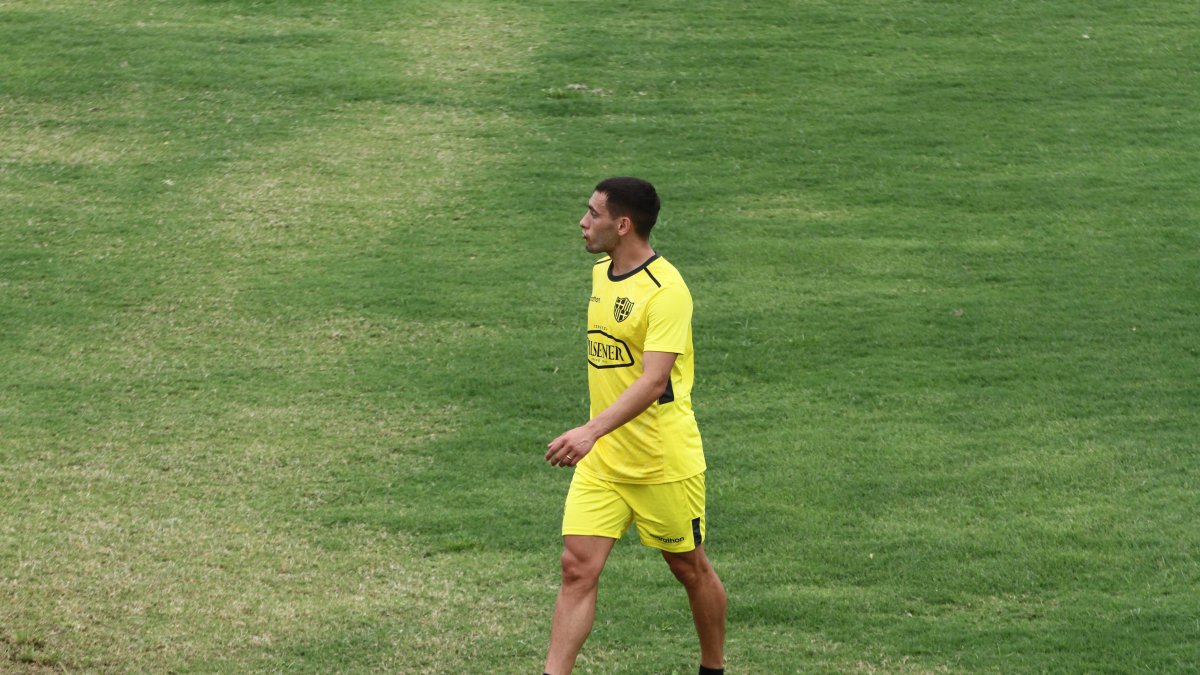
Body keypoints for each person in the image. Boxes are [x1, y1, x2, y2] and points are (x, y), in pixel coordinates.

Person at [543, 177, 726, 675]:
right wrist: (597, 439)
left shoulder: (667, 292)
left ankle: (714, 668)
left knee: (688, 568)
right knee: (576, 568)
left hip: (660, 461)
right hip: (603, 462)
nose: (583, 223)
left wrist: (589, 431)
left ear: (622, 225)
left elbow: (652, 382)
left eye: (593, 214)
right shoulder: (603, 273)